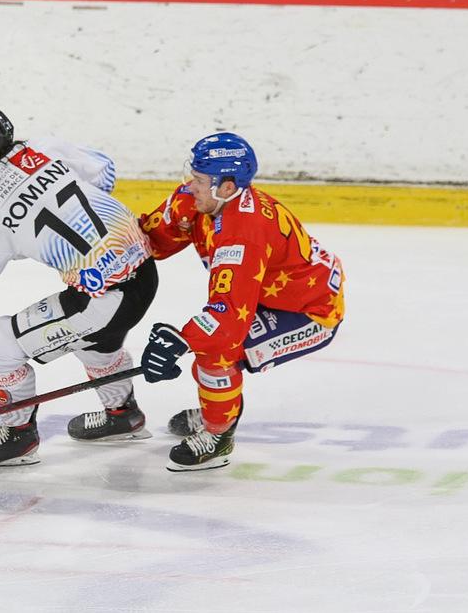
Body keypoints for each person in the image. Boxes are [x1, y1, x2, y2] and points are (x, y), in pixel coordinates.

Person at [0, 106, 158, 467]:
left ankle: (18, 437)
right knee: (96, 343)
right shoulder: (44, 147)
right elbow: (104, 171)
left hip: (103, 300)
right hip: (145, 271)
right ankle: (123, 414)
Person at [139, 132, 346, 472]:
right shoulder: (199, 200)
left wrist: (182, 341)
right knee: (213, 349)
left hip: (309, 309)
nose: (191, 185)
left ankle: (218, 435)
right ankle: (219, 406)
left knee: (217, 354)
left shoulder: (244, 233)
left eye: (200, 180)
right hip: (262, 292)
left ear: (227, 187)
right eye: (192, 175)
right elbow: (153, 239)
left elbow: (227, 320)